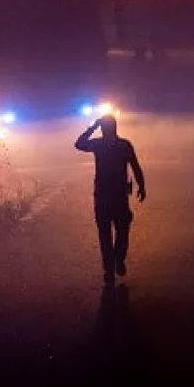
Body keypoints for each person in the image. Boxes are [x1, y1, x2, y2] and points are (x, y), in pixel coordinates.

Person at [75, 114, 146, 283]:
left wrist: (92, 126)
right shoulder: (123, 145)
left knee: (105, 233)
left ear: (103, 129)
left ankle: (110, 267)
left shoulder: (99, 144)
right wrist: (142, 185)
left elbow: (79, 143)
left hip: (104, 195)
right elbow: (135, 166)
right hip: (118, 195)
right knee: (122, 230)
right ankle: (117, 260)